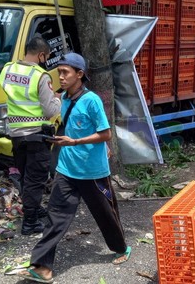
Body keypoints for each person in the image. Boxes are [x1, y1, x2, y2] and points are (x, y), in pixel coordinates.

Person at [19, 53, 131, 283]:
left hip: (93, 172)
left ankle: (121, 248)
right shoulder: (64, 99)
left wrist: (76, 142)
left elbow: (106, 133)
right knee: (55, 217)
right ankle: (42, 267)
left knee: (106, 214)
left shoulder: (92, 101)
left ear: (79, 75)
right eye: (59, 72)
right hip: (67, 170)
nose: (61, 76)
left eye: (65, 72)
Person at [0, 37, 61, 235]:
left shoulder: (8, 69)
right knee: (36, 179)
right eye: (46, 56)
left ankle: (32, 208)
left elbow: (14, 94)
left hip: (16, 134)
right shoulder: (40, 76)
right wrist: (58, 99)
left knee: (26, 176)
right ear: (41, 55)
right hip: (36, 135)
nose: (45, 60)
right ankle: (30, 222)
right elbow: (50, 111)